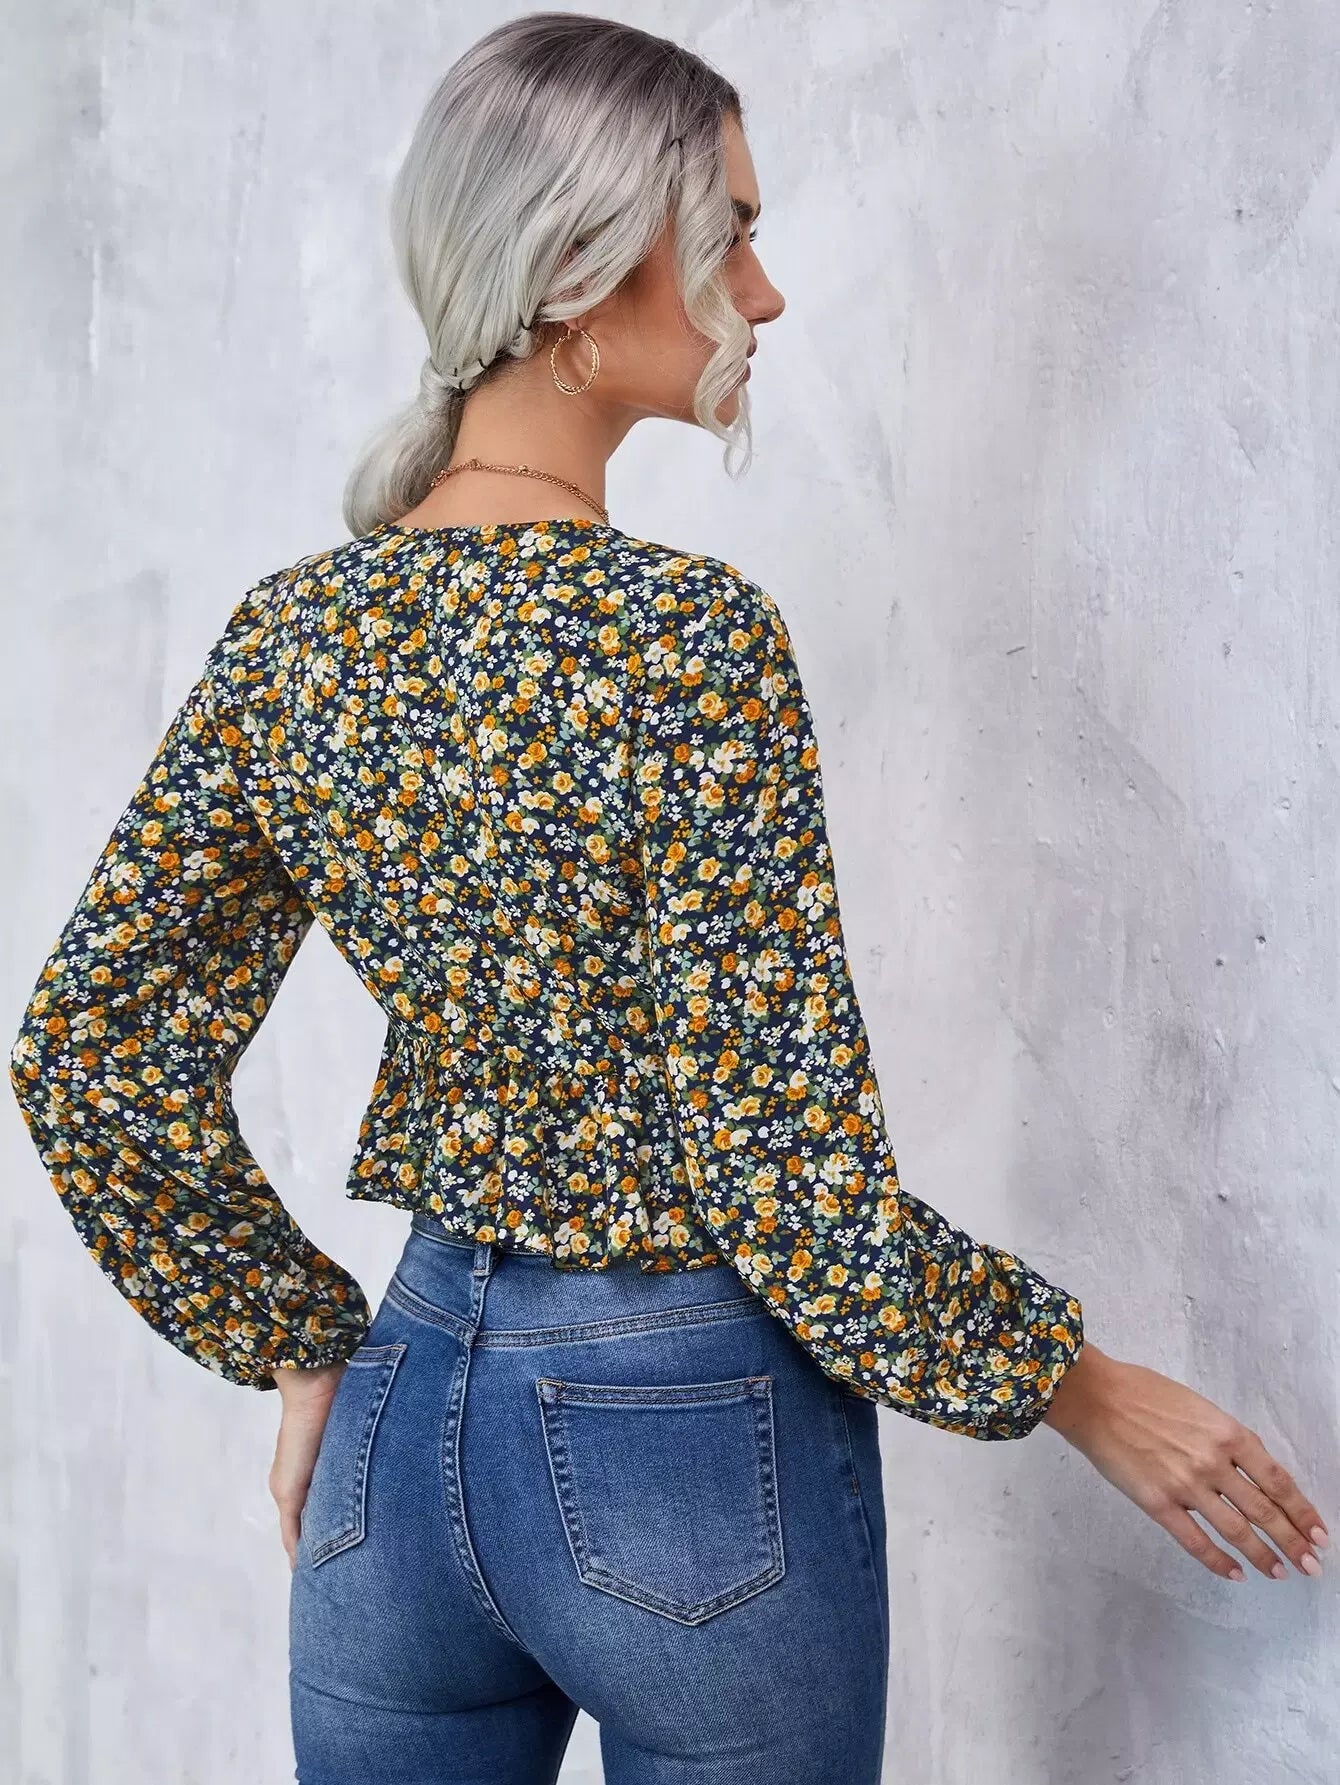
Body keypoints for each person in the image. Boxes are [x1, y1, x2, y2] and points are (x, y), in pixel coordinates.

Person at [9, 13, 1328, 1784]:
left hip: (399, 1435)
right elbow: (785, 1181)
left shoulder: (292, 641)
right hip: (678, 1443)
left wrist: (300, 1345)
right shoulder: (688, 644)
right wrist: (1085, 1388)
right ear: (579, 271)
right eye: (733, 236)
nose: (764, 296)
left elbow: (90, 1053)